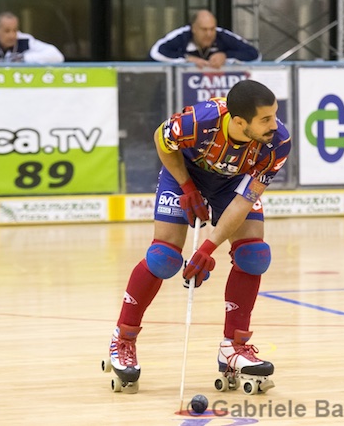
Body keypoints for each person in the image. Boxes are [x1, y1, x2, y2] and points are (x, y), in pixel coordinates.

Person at [107, 79, 290, 394]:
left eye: (274, 115)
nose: (275, 125)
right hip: (185, 173)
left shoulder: (277, 143)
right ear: (239, 121)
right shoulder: (199, 121)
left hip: (232, 184)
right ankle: (122, 339)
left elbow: (244, 201)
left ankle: (233, 348)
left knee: (254, 255)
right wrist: (187, 186)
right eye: (266, 119)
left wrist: (208, 247)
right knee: (163, 258)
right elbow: (162, 139)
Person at [149, 9, 260, 69]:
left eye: (212, 29)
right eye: (204, 29)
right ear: (193, 28)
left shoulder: (222, 35)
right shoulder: (182, 35)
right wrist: (187, 59)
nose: (209, 34)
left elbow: (254, 54)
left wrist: (225, 56)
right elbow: (156, 52)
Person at [0, 11, 64, 64]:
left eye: (15, 30)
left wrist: (23, 58)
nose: (12, 35)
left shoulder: (24, 40)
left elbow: (56, 56)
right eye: (7, 31)